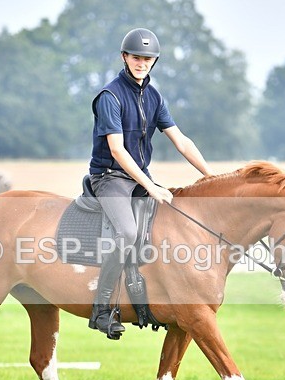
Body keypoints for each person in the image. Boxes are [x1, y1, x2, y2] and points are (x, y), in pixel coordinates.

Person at [88, 27, 212, 340]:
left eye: (147, 58)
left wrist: (211, 177)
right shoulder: (110, 96)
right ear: (124, 57)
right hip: (110, 178)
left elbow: (181, 141)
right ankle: (101, 310)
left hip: (138, 177)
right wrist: (153, 186)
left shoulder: (154, 97)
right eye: (136, 57)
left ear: (153, 61)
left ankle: (151, 299)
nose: (141, 62)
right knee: (128, 232)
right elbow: (117, 150)